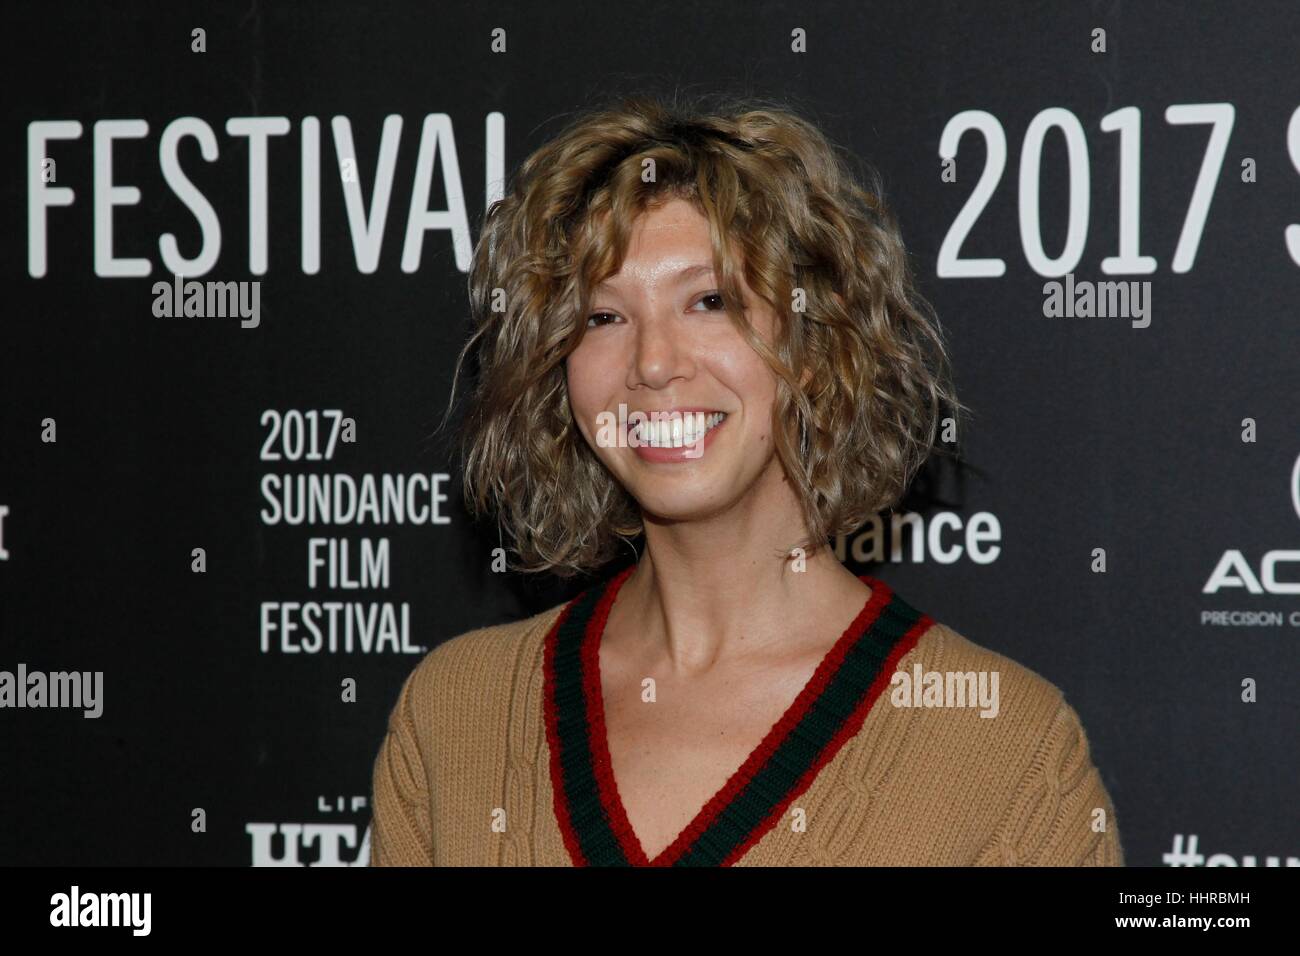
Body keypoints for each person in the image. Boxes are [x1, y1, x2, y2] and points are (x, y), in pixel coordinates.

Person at [369, 92, 1124, 866]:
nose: (654, 362)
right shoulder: (457, 714)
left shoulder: (1002, 749)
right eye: (602, 317)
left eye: (710, 301)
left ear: (814, 340)